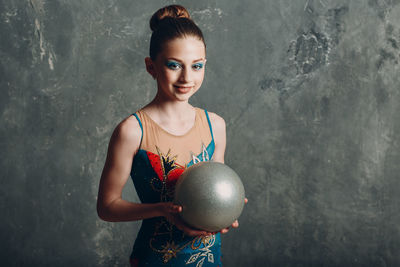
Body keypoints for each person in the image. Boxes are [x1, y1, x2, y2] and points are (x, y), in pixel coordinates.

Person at [97, 5, 245, 266]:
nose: (187, 77)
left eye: (197, 66)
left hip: (208, 257)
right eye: (174, 65)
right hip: (155, 257)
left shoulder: (216, 125)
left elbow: (213, 192)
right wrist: (162, 211)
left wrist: (226, 212)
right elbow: (107, 207)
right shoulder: (132, 131)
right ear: (151, 66)